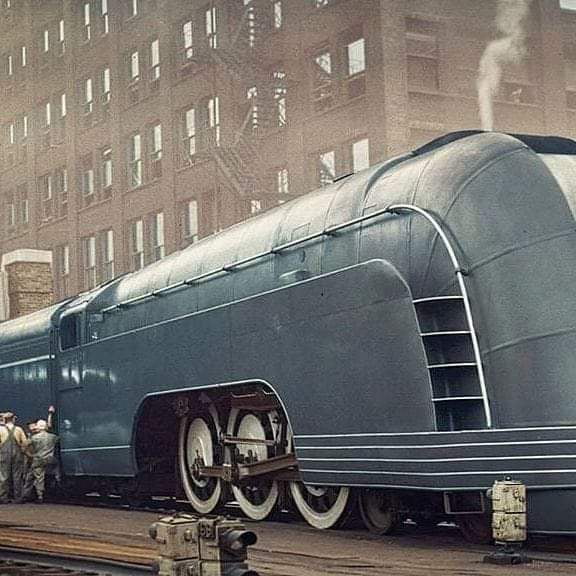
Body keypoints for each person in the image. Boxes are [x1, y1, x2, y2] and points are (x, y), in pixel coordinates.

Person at [29, 417, 59, 503]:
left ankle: (40, 496)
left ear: (38, 427)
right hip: (50, 459)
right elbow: (57, 440)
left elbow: (24, 445)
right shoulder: (53, 437)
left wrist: (30, 455)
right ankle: (58, 479)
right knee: (56, 468)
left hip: (38, 459)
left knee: (39, 478)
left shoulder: (34, 438)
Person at [0, 412, 28, 503]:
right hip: (17, 454)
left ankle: (3, 497)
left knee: (4, 476)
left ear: (4, 419)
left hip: (3, 454)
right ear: (13, 419)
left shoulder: (0, 429)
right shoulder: (19, 429)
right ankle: (18, 497)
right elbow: (25, 443)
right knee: (17, 476)